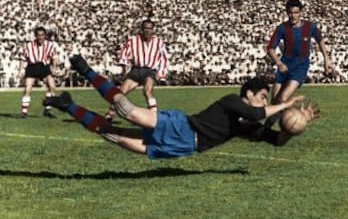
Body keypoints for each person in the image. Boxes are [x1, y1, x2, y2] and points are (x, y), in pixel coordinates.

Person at [44, 55, 319, 159]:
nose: (264, 101)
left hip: (183, 147)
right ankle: (87, 71)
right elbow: (256, 112)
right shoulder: (233, 101)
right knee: (128, 111)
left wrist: (296, 127)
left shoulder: (246, 126)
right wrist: (286, 104)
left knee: (111, 134)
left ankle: (67, 105)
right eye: (262, 95)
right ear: (249, 94)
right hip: (180, 126)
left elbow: (276, 140)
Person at [265, 0, 334, 127]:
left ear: (301, 12)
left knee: (283, 98)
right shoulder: (282, 28)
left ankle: (298, 118)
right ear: (287, 12)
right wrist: (279, 63)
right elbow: (270, 48)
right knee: (275, 102)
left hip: (300, 66)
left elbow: (320, 40)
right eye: (290, 12)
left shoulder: (310, 26)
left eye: (296, 12)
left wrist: (326, 59)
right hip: (285, 64)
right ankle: (265, 130)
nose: (293, 15)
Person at [104, 19, 169, 121]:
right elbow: (124, 54)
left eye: (149, 28)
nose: (147, 31)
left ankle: (154, 115)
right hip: (136, 70)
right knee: (120, 93)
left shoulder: (158, 42)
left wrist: (161, 73)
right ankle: (110, 115)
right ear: (141, 29)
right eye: (145, 28)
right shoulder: (133, 41)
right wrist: (124, 65)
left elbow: (164, 57)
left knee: (147, 91)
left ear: (153, 30)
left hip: (150, 70)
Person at [17, 26, 58, 118]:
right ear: (35, 36)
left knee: (52, 86)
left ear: (45, 36)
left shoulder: (49, 45)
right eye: (38, 35)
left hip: (44, 67)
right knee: (28, 89)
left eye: (42, 35)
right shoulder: (29, 45)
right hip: (32, 67)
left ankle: (47, 109)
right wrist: (20, 71)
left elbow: (54, 57)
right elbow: (22, 59)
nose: (40, 37)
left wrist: (54, 68)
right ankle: (24, 112)